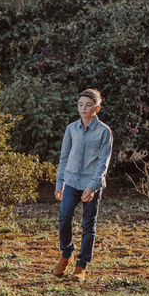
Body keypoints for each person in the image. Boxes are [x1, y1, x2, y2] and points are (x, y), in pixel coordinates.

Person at [53, 88, 113, 282]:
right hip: (71, 181)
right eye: (80, 104)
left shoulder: (104, 131)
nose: (83, 108)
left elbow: (103, 162)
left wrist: (93, 185)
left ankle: (81, 265)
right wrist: (60, 182)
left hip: (90, 184)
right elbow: (64, 157)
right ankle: (66, 254)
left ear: (97, 108)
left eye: (88, 105)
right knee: (64, 217)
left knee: (88, 224)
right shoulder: (71, 129)